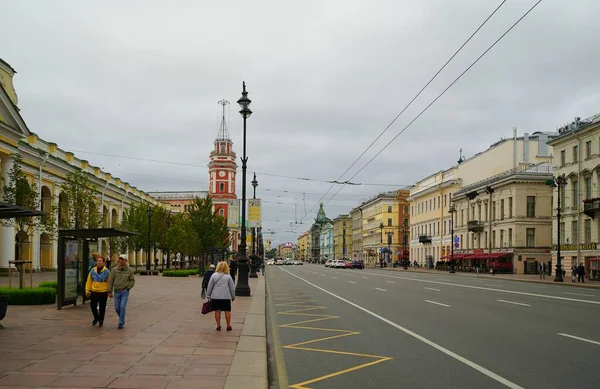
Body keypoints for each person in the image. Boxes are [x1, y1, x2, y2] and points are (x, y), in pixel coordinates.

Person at [206, 261, 236, 331]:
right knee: (227, 311)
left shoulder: (214, 275)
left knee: (217, 311)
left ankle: (218, 325)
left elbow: (210, 286)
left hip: (215, 296)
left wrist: (208, 294)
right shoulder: (228, 276)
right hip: (226, 297)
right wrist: (233, 296)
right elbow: (232, 287)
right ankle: (228, 326)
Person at [108, 254, 135, 329]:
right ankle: (122, 319)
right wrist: (109, 291)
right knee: (117, 308)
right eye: (120, 259)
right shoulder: (114, 270)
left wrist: (128, 288)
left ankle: (120, 322)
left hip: (124, 291)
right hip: (116, 291)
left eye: (123, 259)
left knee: (122, 306)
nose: (121, 261)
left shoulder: (129, 270)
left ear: (126, 261)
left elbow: (132, 280)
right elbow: (111, 280)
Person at [85, 256, 110, 327]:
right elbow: (89, 281)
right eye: (98, 261)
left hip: (103, 292)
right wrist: (87, 290)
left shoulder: (107, 271)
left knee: (102, 307)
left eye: (100, 261)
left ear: (103, 263)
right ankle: (96, 318)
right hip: (94, 291)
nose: (98, 262)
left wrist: (110, 291)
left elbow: (109, 282)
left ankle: (101, 320)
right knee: (93, 306)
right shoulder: (93, 270)